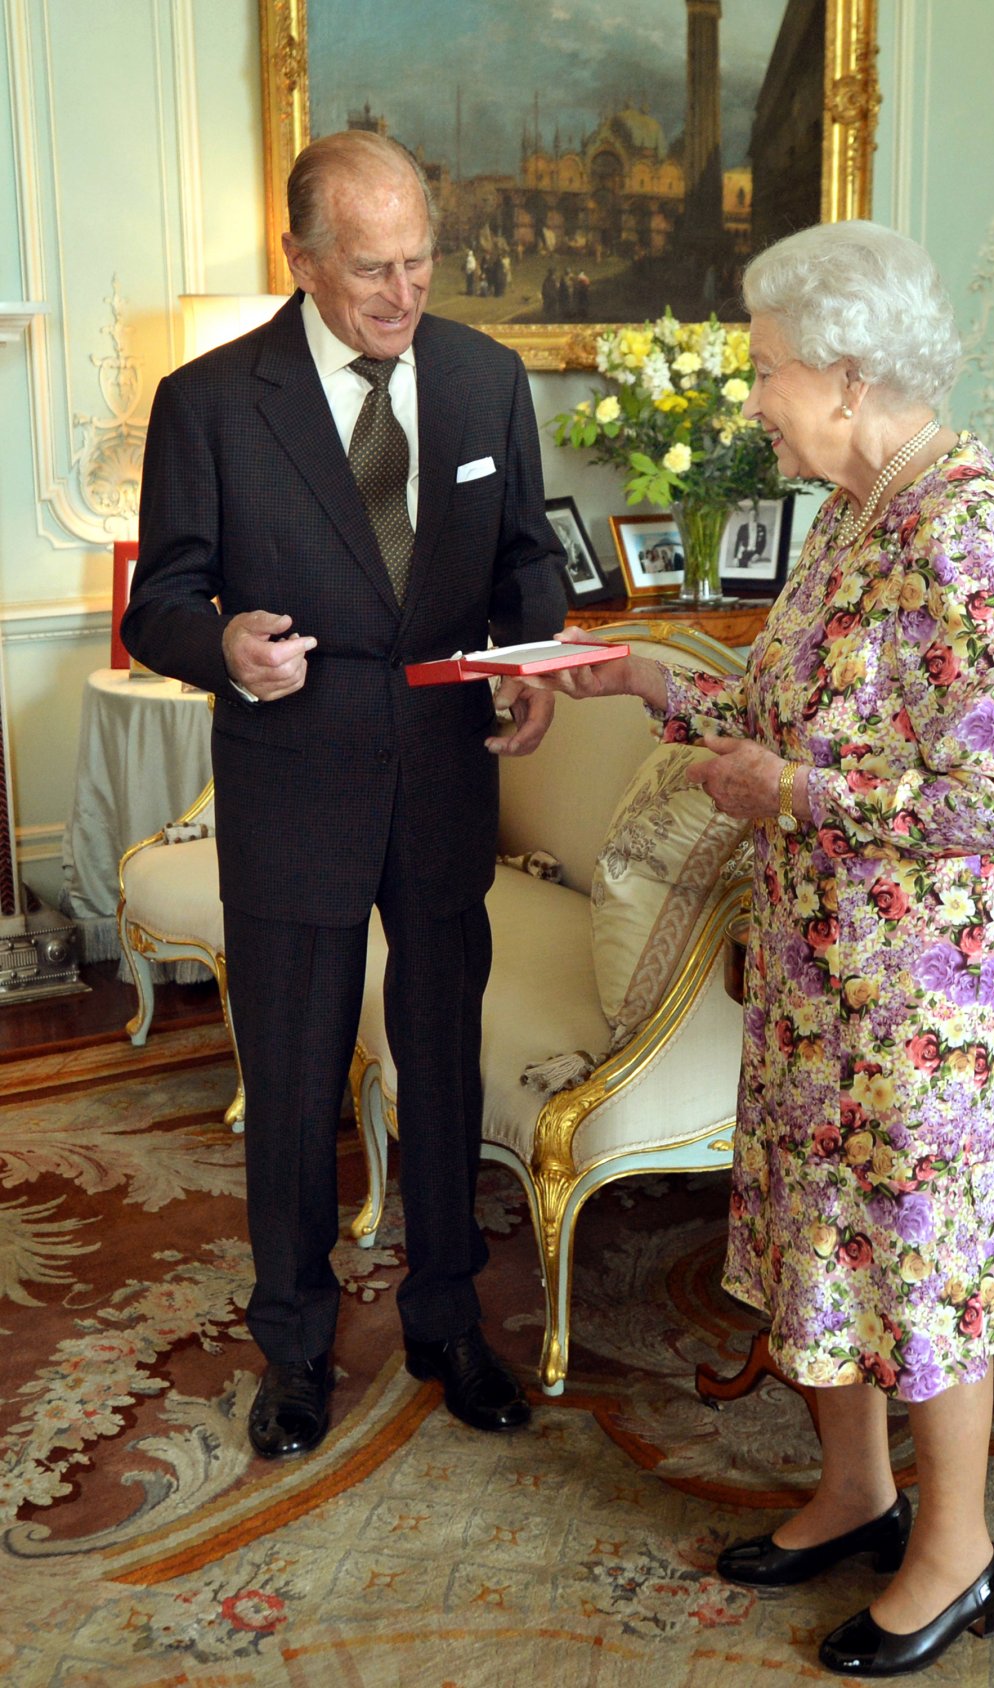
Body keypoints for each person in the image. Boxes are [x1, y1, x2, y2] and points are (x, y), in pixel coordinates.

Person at [524, 220, 994, 1678]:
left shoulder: (970, 531)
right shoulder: (846, 512)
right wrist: (647, 681)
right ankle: (858, 1488)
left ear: (845, 373)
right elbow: (783, 725)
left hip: (924, 1007)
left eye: (766, 370)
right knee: (816, 1237)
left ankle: (955, 1555)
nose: (753, 395)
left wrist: (801, 796)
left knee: (921, 1262)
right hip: (821, 973)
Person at [123, 131, 566, 1461]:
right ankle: (297, 1351)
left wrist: (532, 661)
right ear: (302, 259)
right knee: (299, 1076)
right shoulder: (210, 400)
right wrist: (224, 650)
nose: (403, 291)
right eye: (371, 267)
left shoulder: (487, 379)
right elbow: (160, 602)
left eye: (420, 258)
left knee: (440, 1068)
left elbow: (528, 558)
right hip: (294, 782)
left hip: (441, 783)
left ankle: (448, 1324)